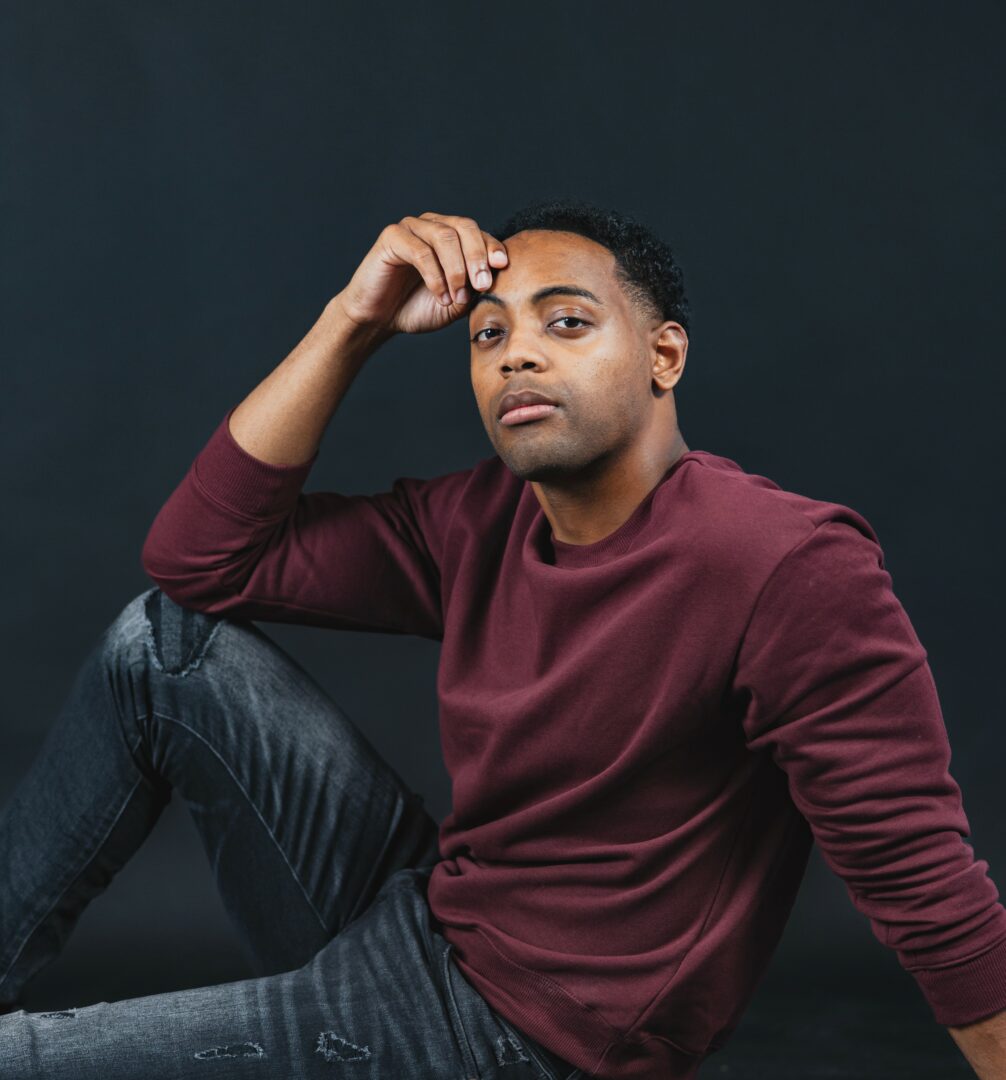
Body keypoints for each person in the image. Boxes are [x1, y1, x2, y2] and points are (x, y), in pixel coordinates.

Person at [1, 200, 1004, 1079]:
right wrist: (354, 321)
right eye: (488, 334)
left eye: (566, 322)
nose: (517, 354)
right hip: (429, 926)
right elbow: (199, 561)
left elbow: (924, 885)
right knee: (161, 645)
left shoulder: (784, 562)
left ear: (664, 356)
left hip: (520, 1042)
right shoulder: (482, 519)